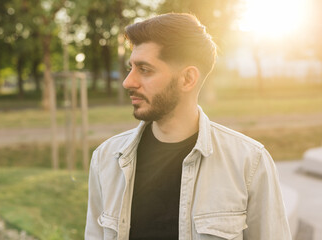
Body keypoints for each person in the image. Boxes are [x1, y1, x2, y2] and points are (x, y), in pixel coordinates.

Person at [85, 13, 291, 240]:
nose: (128, 82)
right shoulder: (106, 159)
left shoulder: (249, 163)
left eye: (144, 69)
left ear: (187, 79)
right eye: (130, 68)